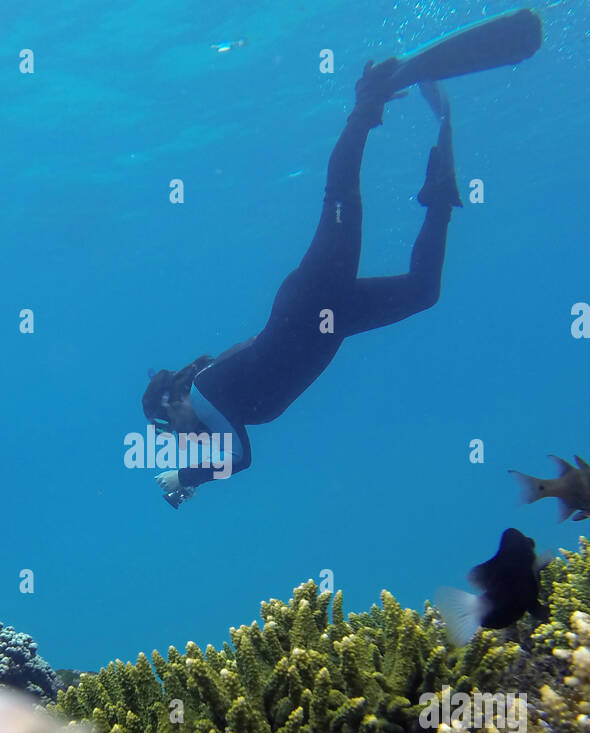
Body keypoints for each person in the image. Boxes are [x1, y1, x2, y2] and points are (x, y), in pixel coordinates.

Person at [141, 59, 461, 508]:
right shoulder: (218, 402)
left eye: (166, 428)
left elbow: (241, 459)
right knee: (425, 290)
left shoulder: (204, 392)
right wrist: (191, 478)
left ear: (172, 404)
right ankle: (440, 192)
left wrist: (184, 475)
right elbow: (233, 443)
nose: (178, 437)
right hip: (332, 317)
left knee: (342, 199)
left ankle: (367, 100)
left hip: (312, 300)